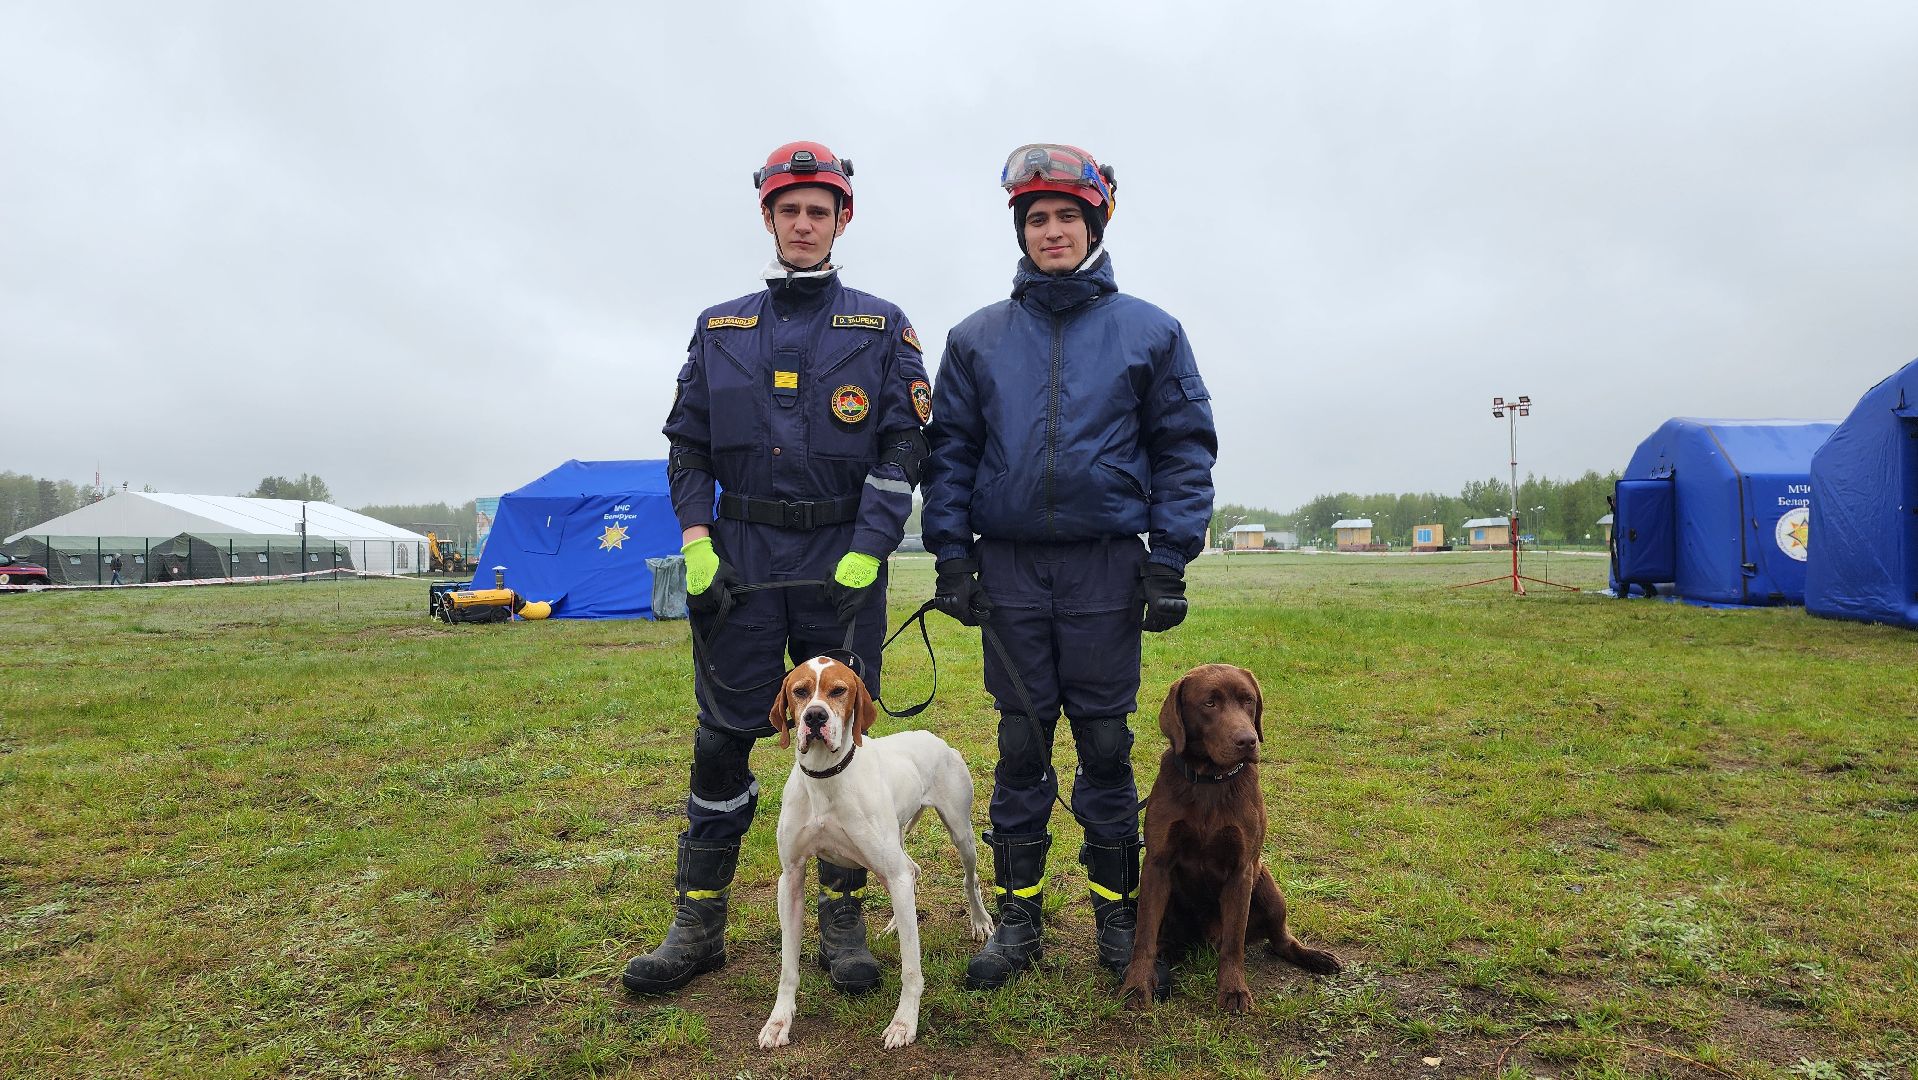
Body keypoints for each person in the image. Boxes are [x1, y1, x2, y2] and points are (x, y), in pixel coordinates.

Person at [622, 141, 933, 998]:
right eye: (789, 209)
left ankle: (840, 919)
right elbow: (686, 444)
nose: (804, 223)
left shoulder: (879, 325)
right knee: (723, 737)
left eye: (819, 211)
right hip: (743, 559)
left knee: (843, 739)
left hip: (843, 557)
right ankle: (699, 922)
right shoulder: (719, 328)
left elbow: (907, 440)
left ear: (843, 220)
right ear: (768, 216)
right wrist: (695, 541)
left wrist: (873, 543)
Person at [921, 143, 1218, 991]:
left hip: (1103, 571)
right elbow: (951, 456)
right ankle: (1017, 920)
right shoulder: (975, 339)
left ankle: (1119, 917)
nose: (1052, 231)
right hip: (1008, 569)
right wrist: (951, 557)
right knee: (1020, 746)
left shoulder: (1152, 332)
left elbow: (1182, 450)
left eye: (1067, 217)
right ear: (1021, 229)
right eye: (1037, 218)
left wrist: (1169, 558)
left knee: (1105, 746)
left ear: (1096, 223)